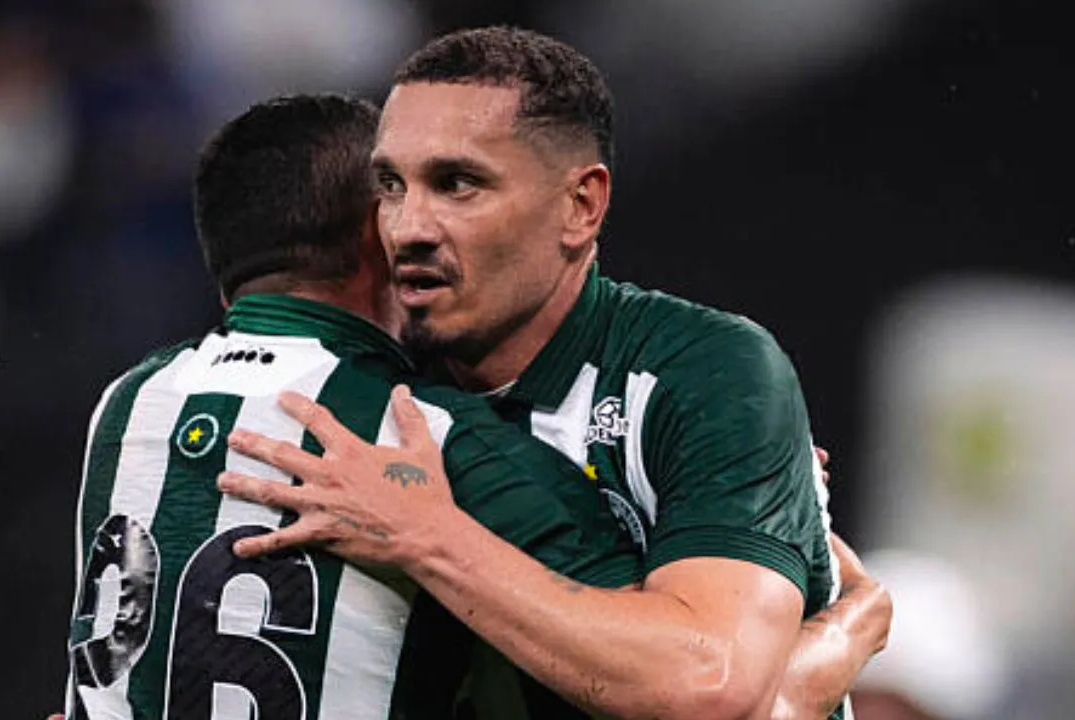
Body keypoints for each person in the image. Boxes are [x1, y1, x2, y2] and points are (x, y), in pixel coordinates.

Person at [218, 27, 891, 720]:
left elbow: (709, 685)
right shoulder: (366, 391)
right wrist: (826, 654)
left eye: (457, 184)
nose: (407, 227)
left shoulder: (705, 374)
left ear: (581, 206)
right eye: (391, 185)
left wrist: (428, 538)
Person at [62, 94, 641, 720]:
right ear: (378, 233)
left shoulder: (126, 406)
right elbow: (653, 668)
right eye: (404, 195)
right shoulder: (425, 434)